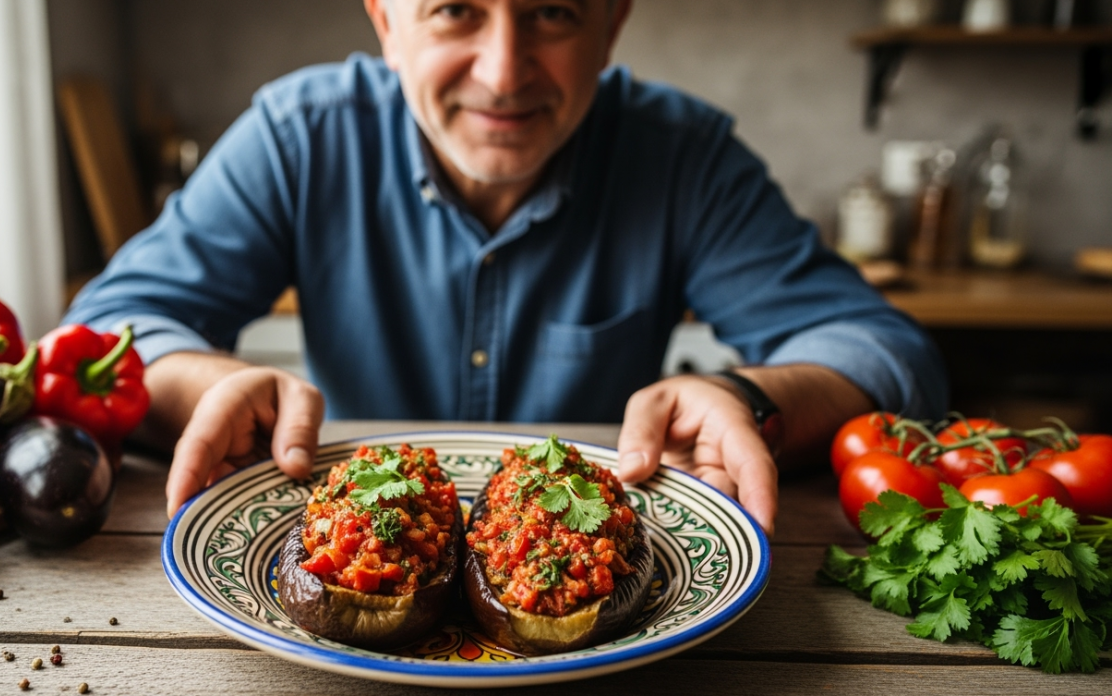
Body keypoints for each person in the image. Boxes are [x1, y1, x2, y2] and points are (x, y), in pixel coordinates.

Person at [64, 0, 947, 536]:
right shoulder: (300, 137)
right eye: (455, 10)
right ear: (388, 25)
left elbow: (887, 352)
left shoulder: (684, 156)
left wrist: (751, 397)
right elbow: (104, 332)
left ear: (611, 25)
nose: (504, 70)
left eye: (553, 13)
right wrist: (198, 383)